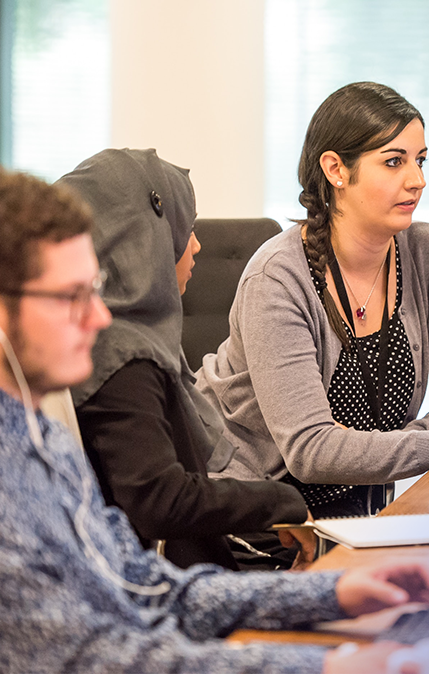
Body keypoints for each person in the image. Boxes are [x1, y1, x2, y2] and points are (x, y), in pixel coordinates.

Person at [0, 165, 429, 673]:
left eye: (96, 289)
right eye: (70, 297)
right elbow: (101, 661)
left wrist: (330, 593)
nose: (97, 318)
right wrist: (323, 664)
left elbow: (145, 585)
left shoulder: (29, 435)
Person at [197, 82, 429, 517]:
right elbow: (311, 451)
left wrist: (387, 450)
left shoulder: (425, 251)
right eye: (393, 162)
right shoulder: (278, 278)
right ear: (336, 170)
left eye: (420, 160)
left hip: (361, 513)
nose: (417, 180)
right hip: (260, 520)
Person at [60, 148, 314, 571]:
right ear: (144, 238)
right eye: (186, 229)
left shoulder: (116, 339)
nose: (196, 245)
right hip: (171, 586)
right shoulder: (123, 357)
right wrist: (279, 502)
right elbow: (160, 501)